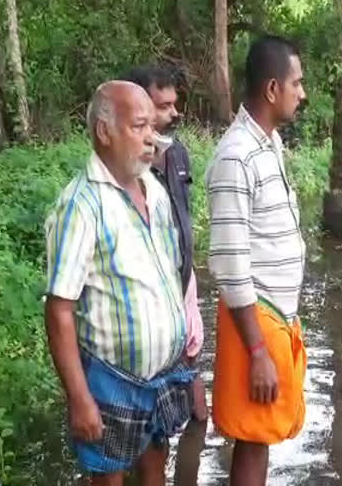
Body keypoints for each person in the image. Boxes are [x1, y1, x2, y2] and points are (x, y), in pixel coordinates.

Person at [44, 80, 194, 486]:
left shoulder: (155, 191)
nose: (152, 138)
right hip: (111, 381)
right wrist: (79, 399)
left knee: (154, 466)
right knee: (109, 478)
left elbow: (168, 276)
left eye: (152, 127)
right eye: (139, 127)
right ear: (105, 133)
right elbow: (59, 310)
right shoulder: (81, 206)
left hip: (163, 376)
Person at [205, 34, 308, 486]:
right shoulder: (235, 156)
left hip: (276, 319)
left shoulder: (269, 144)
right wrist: (258, 351)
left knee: (260, 435)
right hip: (256, 324)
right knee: (250, 437)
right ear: (271, 90)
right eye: (296, 84)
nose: (302, 94)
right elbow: (230, 263)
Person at [119, 65, 207, 422]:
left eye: (175, 104)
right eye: (163, 106)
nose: (174, 113)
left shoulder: (178, 154)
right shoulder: (121, 171)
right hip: (147, 306)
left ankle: (195, 446)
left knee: (193, 375)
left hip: (183, 285)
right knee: (147, 411)